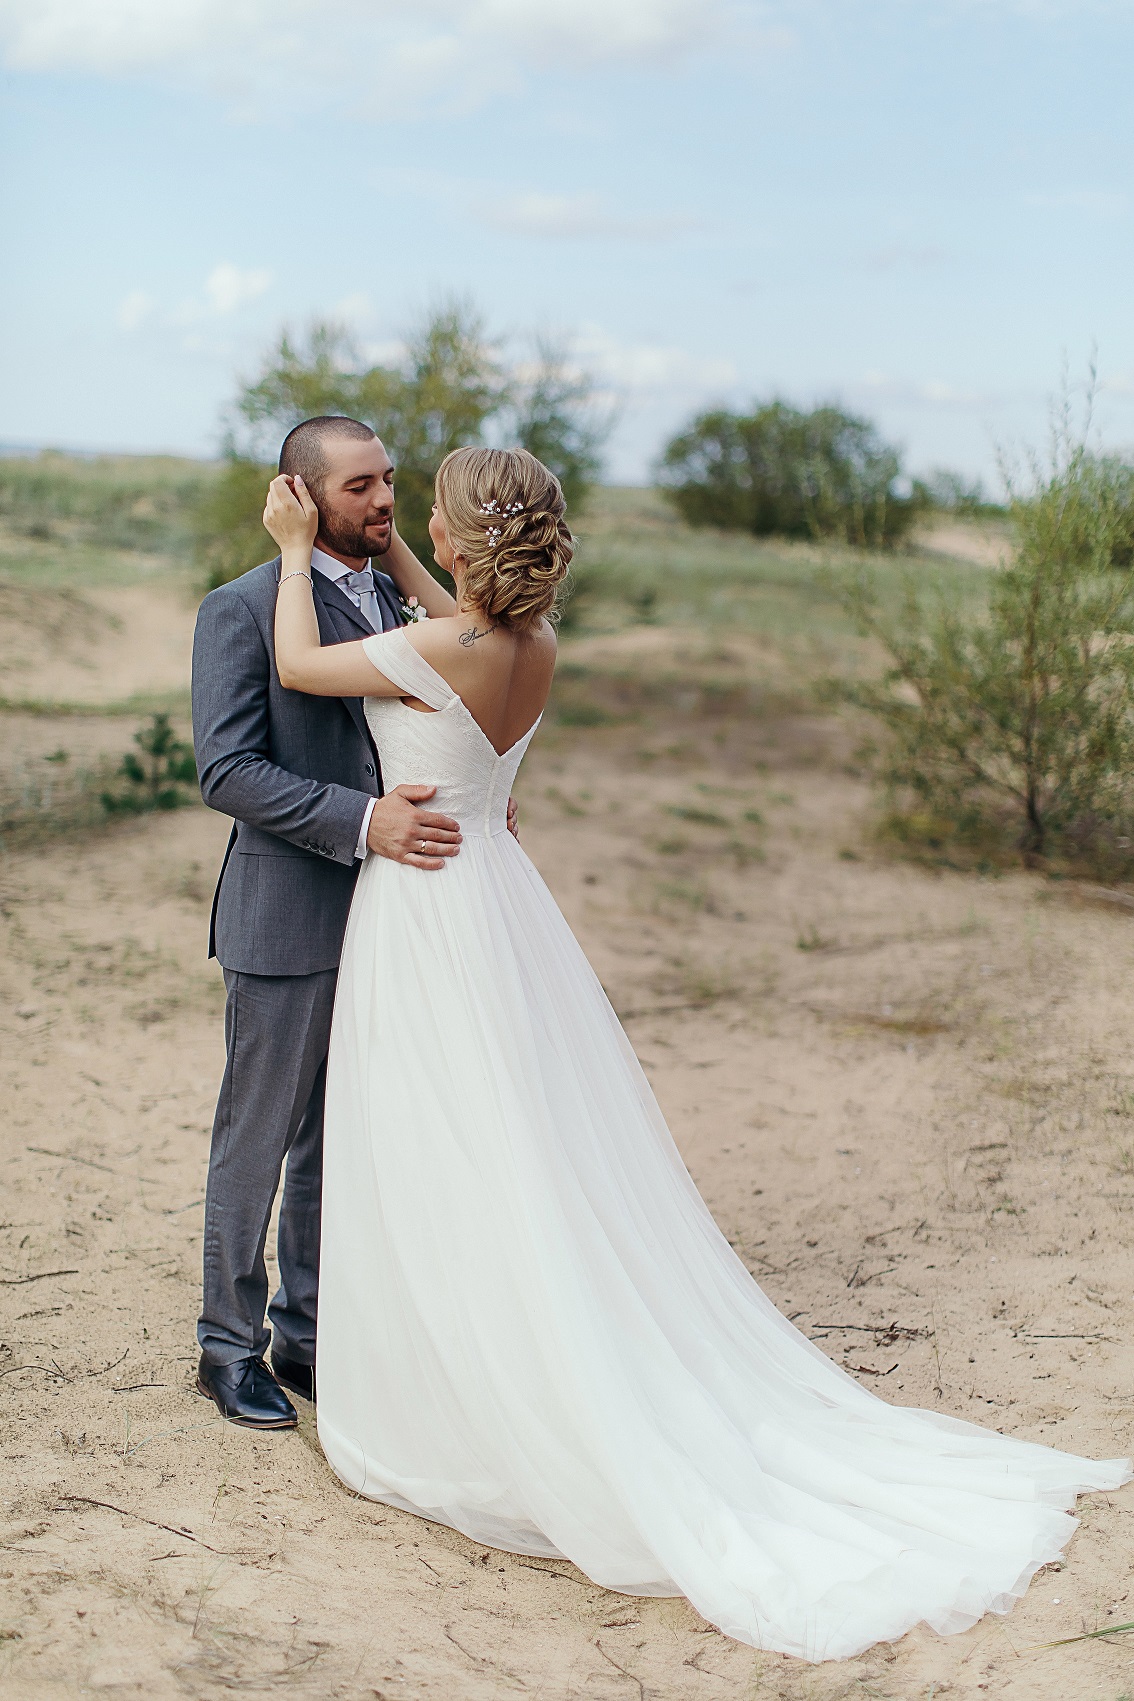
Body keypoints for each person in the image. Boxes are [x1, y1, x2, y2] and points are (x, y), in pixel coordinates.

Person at [261, 444, 1130, 1662]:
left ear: (459, 549)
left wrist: (299, 554)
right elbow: (459, 622)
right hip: (502, 901)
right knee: (514, 1139)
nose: (418, 534)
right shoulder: (526, 646)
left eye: (433, 524)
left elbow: (301, 663)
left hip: (428, 907)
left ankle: (472, 1399)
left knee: (441, 1138)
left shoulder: (436, 647)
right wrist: (424, 559)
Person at [191, 416, 477, 1429]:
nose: (385, 500)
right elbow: (226, 769)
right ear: (302, 497)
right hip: (288, 911)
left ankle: (306, 1334)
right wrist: (364, 821)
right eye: (359, 487)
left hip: (392, 915)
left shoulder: (400, 595)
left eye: (391, 481)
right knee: (257, 1137)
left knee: (335, 1138)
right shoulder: (240, 609)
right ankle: (228, 1351)